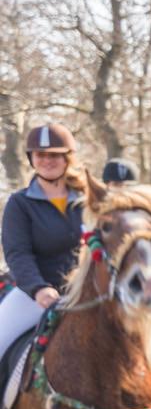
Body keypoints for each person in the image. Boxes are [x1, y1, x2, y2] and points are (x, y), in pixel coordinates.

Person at [0, 124, 90, 358]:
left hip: (91, 293)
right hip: (36, 296)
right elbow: (17, 253)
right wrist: (39, 289)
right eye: (41, 155)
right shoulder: (19, 204)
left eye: (54, 155)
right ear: (32, 158)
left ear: (67, 158)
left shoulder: (88, 200)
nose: (47, 161)